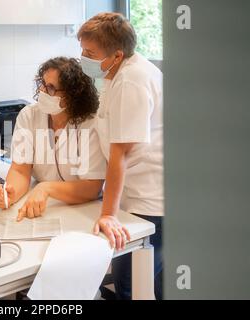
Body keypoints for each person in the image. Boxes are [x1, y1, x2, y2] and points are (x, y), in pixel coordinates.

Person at [78, 13, 164, 300]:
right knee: (154, 281)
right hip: (136, 192)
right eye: (82, 49)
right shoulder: (119, 74)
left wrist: (108, 215)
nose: (83, 57)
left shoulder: (132, 80)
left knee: (130, 284)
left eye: (90, 53)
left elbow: (121, 154)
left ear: (117, 54)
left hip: (150, 198)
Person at [0, 57, 107, 221]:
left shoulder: (91, 123)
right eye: (42, 85)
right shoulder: (29, 115)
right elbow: (20, 170)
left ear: (72, 95)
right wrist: (9, 194)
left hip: (85, 210)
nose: (43, 92)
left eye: (51, 88)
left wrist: (46, 188)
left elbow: (92, 187)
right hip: (43, 205)